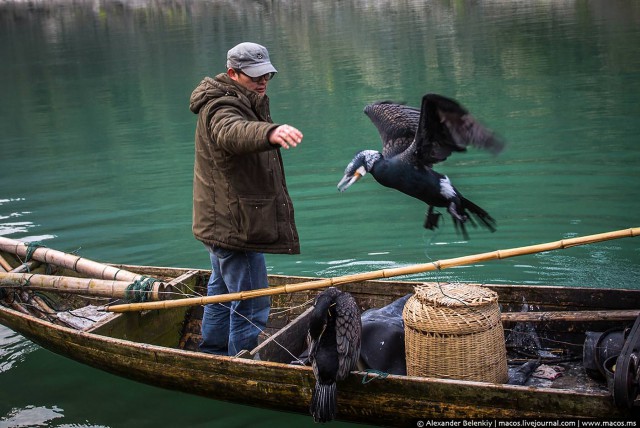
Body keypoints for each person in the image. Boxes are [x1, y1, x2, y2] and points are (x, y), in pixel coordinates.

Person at [189, 42, 303, 356]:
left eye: (266, 74)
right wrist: (269, 133)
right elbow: (233, 131)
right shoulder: (221, 106)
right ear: (232, 74)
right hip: (234, 226)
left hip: (223, 221)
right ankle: (242, 362)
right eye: (255, 76)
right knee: (251, 300)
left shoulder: (244, 99)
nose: (263, 80)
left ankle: (212, 351)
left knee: (221, 290)